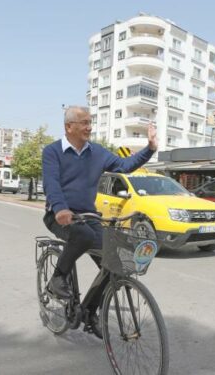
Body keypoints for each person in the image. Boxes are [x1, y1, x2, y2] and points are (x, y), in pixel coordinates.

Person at [42, 106, 157, 307]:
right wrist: (60, 208)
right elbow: (51, 183)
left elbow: (124, 165)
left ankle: (90, 313)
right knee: (83, 235)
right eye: (84, 123)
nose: (89, 127)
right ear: (69, 127)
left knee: (114, 267)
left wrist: (150, 149)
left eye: (90, 122)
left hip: (89, 217)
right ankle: (58, 278)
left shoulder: (97, 152)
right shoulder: (52, 152)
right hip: (59, 216)